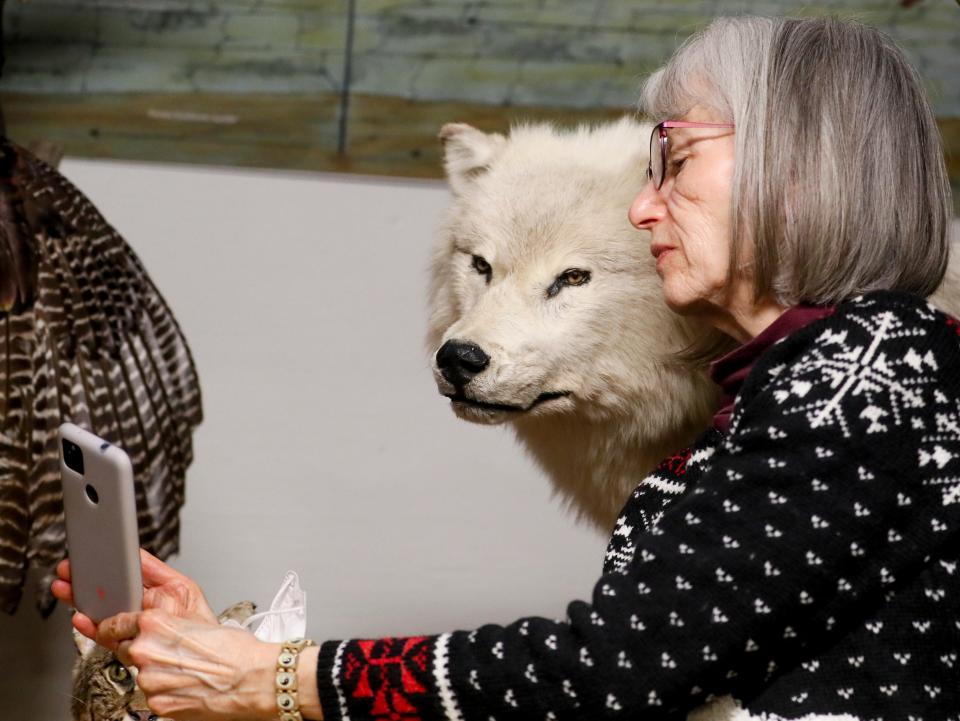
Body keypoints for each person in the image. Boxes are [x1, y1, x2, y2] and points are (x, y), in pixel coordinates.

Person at [54, 15, 958, 721]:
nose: (643, 207)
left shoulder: (861, 379)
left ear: (798, 176)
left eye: (675, 162)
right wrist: (241, 653)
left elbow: (612, 671)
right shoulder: (830, 371)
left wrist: (277, 678)